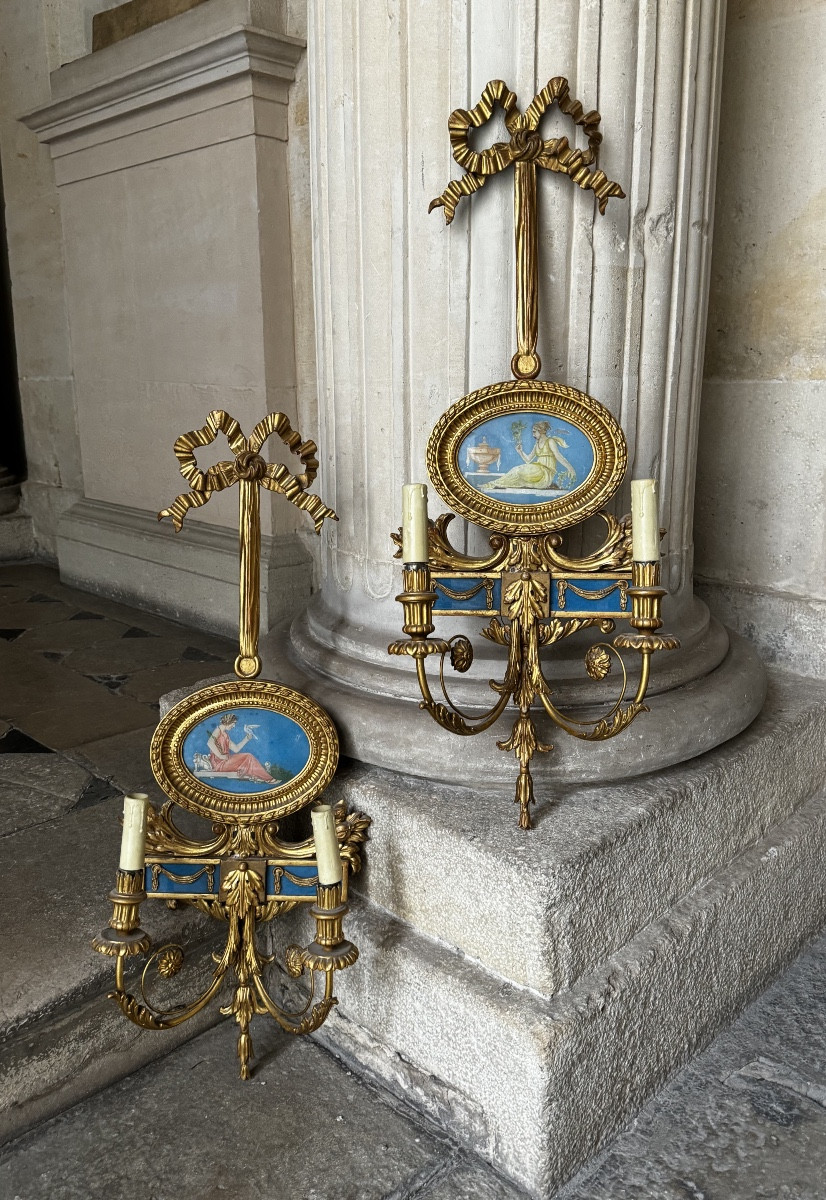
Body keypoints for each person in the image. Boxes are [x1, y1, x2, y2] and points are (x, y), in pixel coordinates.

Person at [481, 420, 576, 492]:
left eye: (534, 432)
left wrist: (570, 468)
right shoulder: (537, 443)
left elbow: (558, 456)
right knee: (516, 470)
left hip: (545, 472)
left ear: (541, 431)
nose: (533, 434)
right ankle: (494, 484)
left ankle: (494, 484)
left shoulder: (550, 441)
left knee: (518, 472)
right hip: (537, 469)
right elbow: (528, 460)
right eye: (533, 432)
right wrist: (520, 452)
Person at [206, 713, 276, 783]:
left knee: (248, 756)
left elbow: (236, 749)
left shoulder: (226, 735)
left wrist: (247, 738)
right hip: (219, 764)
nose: (234, 726)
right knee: (248, 756)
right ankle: (267, 778)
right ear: (228, 721)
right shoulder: (218, 730)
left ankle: (264, 777)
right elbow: (210, 743)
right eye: (233, 723)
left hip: (226, 760)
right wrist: (220, 756)